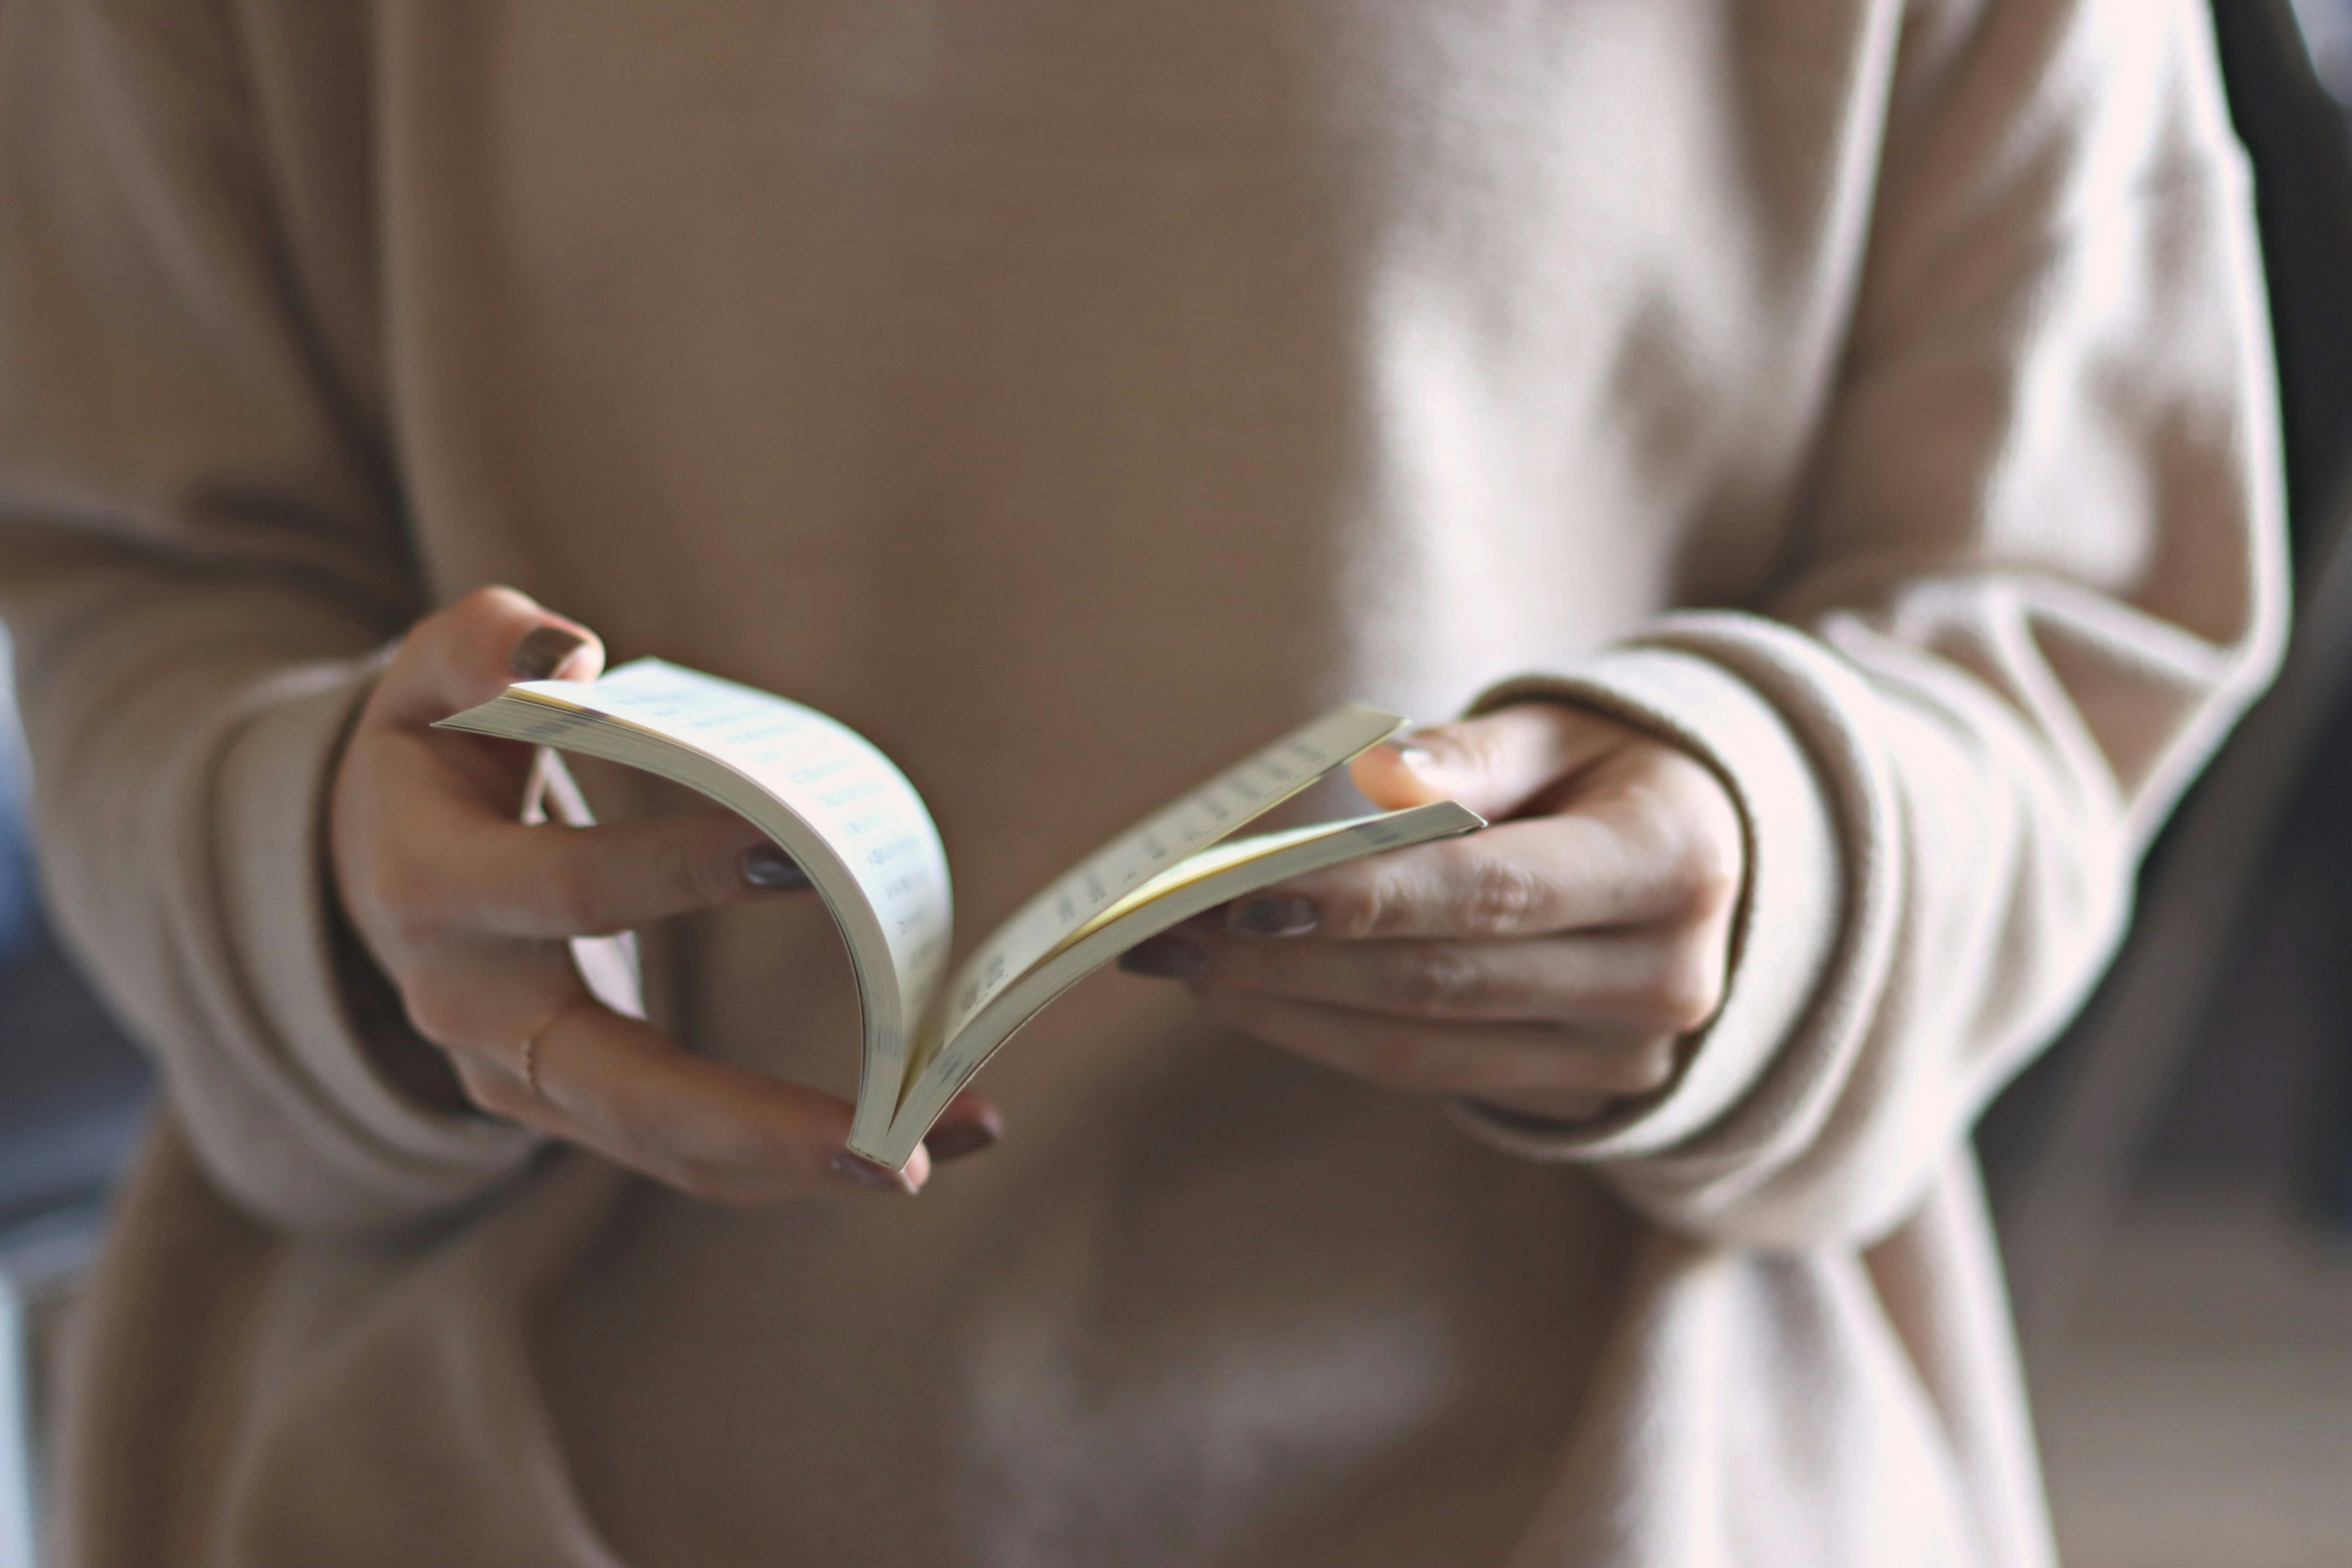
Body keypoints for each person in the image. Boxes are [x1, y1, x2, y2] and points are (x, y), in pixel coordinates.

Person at [0, 0, 2283, 1563]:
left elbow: (2063, 623)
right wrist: (314, 877)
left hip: (1612, 1470)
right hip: (449, 1479)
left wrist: (1783, 863)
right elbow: (129, 568)